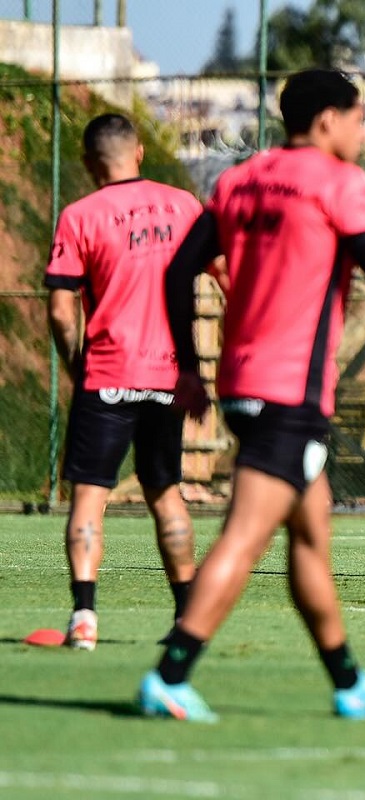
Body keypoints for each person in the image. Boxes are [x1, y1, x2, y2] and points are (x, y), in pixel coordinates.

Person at [137, 68, 365, 723]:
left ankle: (348, 684)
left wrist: (189, 370)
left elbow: (176, 271)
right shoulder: (337, 183)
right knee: (244, 537)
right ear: (325, 122)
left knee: (311, 537)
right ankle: (170, 675)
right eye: (358, 116)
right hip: (287, 394)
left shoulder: (238, 180)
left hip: (242, 385)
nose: (364, 130)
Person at [44, 113, 205, 650]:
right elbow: (230, 280)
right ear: (138, 151)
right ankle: (186, 621)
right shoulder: (185, 206)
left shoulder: (80, 215)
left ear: (90, 162)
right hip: (168, 376)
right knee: (167, 495)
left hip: (108, 375)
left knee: (89, 498)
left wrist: (76, 366)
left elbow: (63, 311)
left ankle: (84, 618)